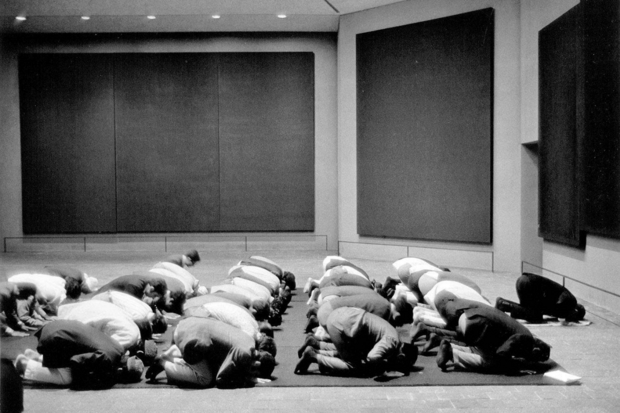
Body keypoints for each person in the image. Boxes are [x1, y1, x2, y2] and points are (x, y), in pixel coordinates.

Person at [432, 291, 551, 374]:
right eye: (535, 359)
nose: (531, 361)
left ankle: (449, 345)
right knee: (491, 363)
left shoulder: (525, 333)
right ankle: (452, 353)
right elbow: (502, 352)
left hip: (469, 317)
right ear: (536, 350)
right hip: (478, 325)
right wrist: (515, 368)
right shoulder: (526, 340)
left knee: (482, 351)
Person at [145, 316, 275, 388]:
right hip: (192, 340)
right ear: (257, 364)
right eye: (254, 371)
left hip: (189, 327)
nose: (251, 371)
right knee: (206, 379)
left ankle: (175, 353)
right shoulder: (244, 354)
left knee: (212, 365)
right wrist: (247, 380)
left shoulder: (250, 341)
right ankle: (164, 364)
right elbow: (221, 379)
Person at [13, 320, 144, 389]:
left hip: (56, 327)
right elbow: (75, 361)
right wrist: (84, 382)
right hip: (54, 338)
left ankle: (36, 357)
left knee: (71, 352)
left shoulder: (119, 347)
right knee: (67, 377)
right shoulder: (108, 360)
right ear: (121, 370)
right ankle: (25, 365)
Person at [295, 307, 418, 377]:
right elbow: (372, 357)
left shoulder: (394, 334)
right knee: (353, 365)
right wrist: (385, 371)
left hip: (340, 316)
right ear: (402, 356)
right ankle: (314, 356)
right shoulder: (393, 342)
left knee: (353, 353)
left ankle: (317, 346)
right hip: (344, 326)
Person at [495, 273, 586, 323]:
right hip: (530, 284)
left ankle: (505, 304)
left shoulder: (566, 308)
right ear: (575, 311)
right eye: (575, 316)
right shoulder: (571, 301)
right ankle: (504, 304)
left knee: (527, 311)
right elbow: (560, 302)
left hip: (524, 280)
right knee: (535, 316)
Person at [96, 273, 168, 308]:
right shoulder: (135, 286)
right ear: (152, 289)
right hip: (99, 299)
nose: (152, 298)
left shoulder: (144, 283)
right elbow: (126, 306)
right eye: (154, 295)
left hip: (107, 298)